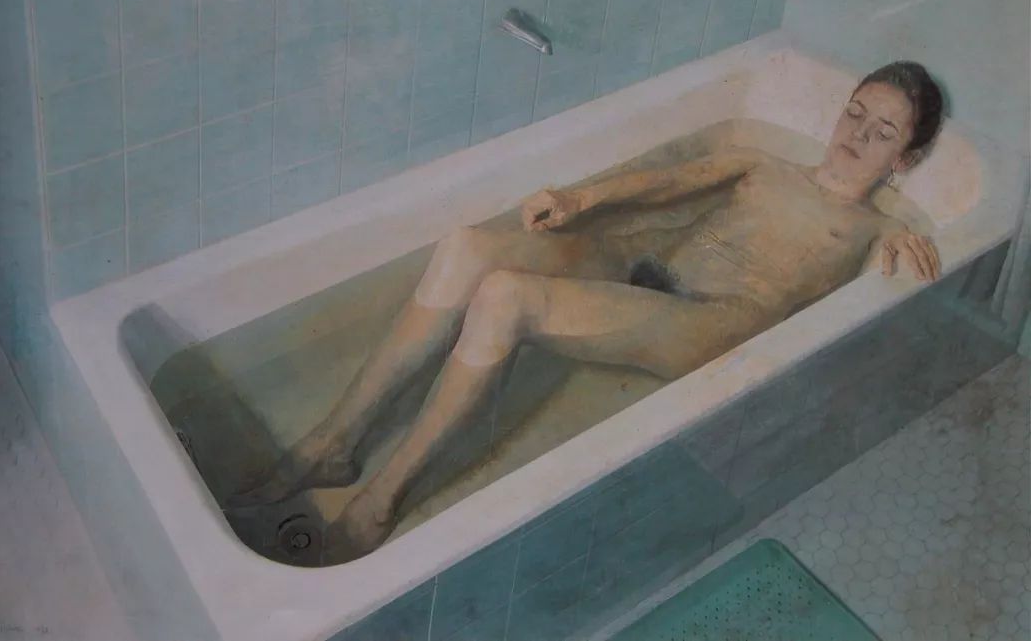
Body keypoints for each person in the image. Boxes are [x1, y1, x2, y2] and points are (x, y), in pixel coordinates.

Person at [230, 61, 944, 562]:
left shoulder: (876, 226)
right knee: (468, 248)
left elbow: (898, 267)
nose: (856, 135)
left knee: (505, 296)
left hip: (713, 321)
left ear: (904, 160)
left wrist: (898, 236)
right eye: (855, 112)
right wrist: (580, 199)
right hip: (649, 267)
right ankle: (333, 442)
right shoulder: (766, 163)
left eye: (883, 131)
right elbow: (670, 182)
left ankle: (383, 495)